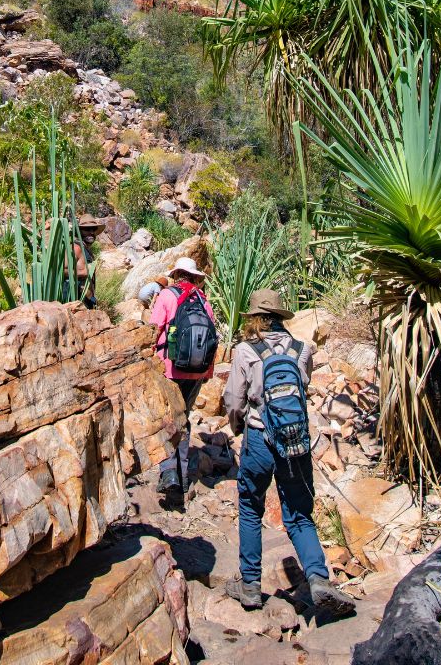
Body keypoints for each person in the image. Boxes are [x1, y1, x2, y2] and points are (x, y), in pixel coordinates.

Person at [223, 289, 355, 618]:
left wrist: (238, 425)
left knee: (251, 508)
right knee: (298, 513)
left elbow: (234, 401)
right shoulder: (302, 348)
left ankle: (251, 586)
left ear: (254, 318)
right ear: (281, 318)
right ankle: (319, 578)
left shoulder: (245, 350)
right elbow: (304, 387)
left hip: (259, 438)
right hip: (295, 440)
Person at [149, 257, 217, 504]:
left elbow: (154, 329)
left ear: (176, 274)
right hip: (196, 372)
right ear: (194, 276)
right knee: (184, 419)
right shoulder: (202, 299)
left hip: (171, 369)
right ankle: (184, 476)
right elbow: (211, 337)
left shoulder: (167, 296)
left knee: (167, 420)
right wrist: (207, 373)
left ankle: (169, 474)